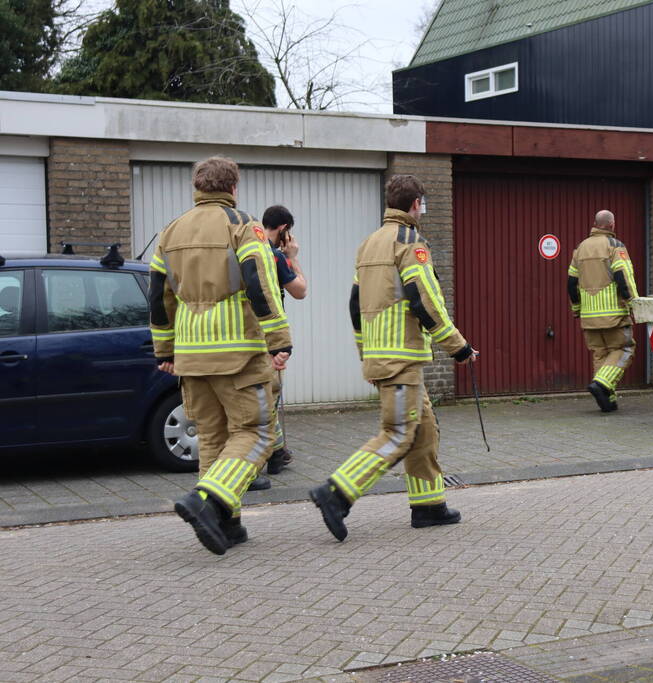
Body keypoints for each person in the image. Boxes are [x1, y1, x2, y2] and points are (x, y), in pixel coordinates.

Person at [309, 174, 477, 542]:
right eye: (423, 203)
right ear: (416, 203)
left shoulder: (368, 244)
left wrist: (364, 355)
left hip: (384, 355)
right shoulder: (410, 242)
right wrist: (457, 346)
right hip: (401, 356)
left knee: (424, 430)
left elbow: (355, 307)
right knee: (398, 433)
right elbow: (424, 298)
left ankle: (429, 507)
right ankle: (336, 493)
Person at [150, 156, 292, 555]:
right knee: (258, 432)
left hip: (192, 354)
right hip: (239, 352)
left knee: (212, 437)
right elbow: (259, 283)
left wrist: (166, 350)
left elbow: (157, 297)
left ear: (197, 188)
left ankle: (226, 524)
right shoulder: (244, 225)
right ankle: (207, 499)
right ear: (233, 187)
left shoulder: (170, 232)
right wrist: (279, 339)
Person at [567, 210, 639, 412]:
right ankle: (601, 385)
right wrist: (634, 304)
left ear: (595, 224)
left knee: (601, 354)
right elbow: (624, 277)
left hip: (589, 316)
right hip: (613, 314)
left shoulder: (580, 249)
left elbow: (571, 284)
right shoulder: (615, 247)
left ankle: (608, 400)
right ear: (612, 225)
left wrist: (577, 309)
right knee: (625, 349)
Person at [260, 205, 308, 476]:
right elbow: (301, 290)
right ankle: (271, 455)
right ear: (284, 230)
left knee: (266, 398)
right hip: (269, 341)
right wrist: (293, 257)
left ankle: (278, 452)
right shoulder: (274, 256)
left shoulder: (245, 249)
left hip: (244, 336)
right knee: (267, 399)